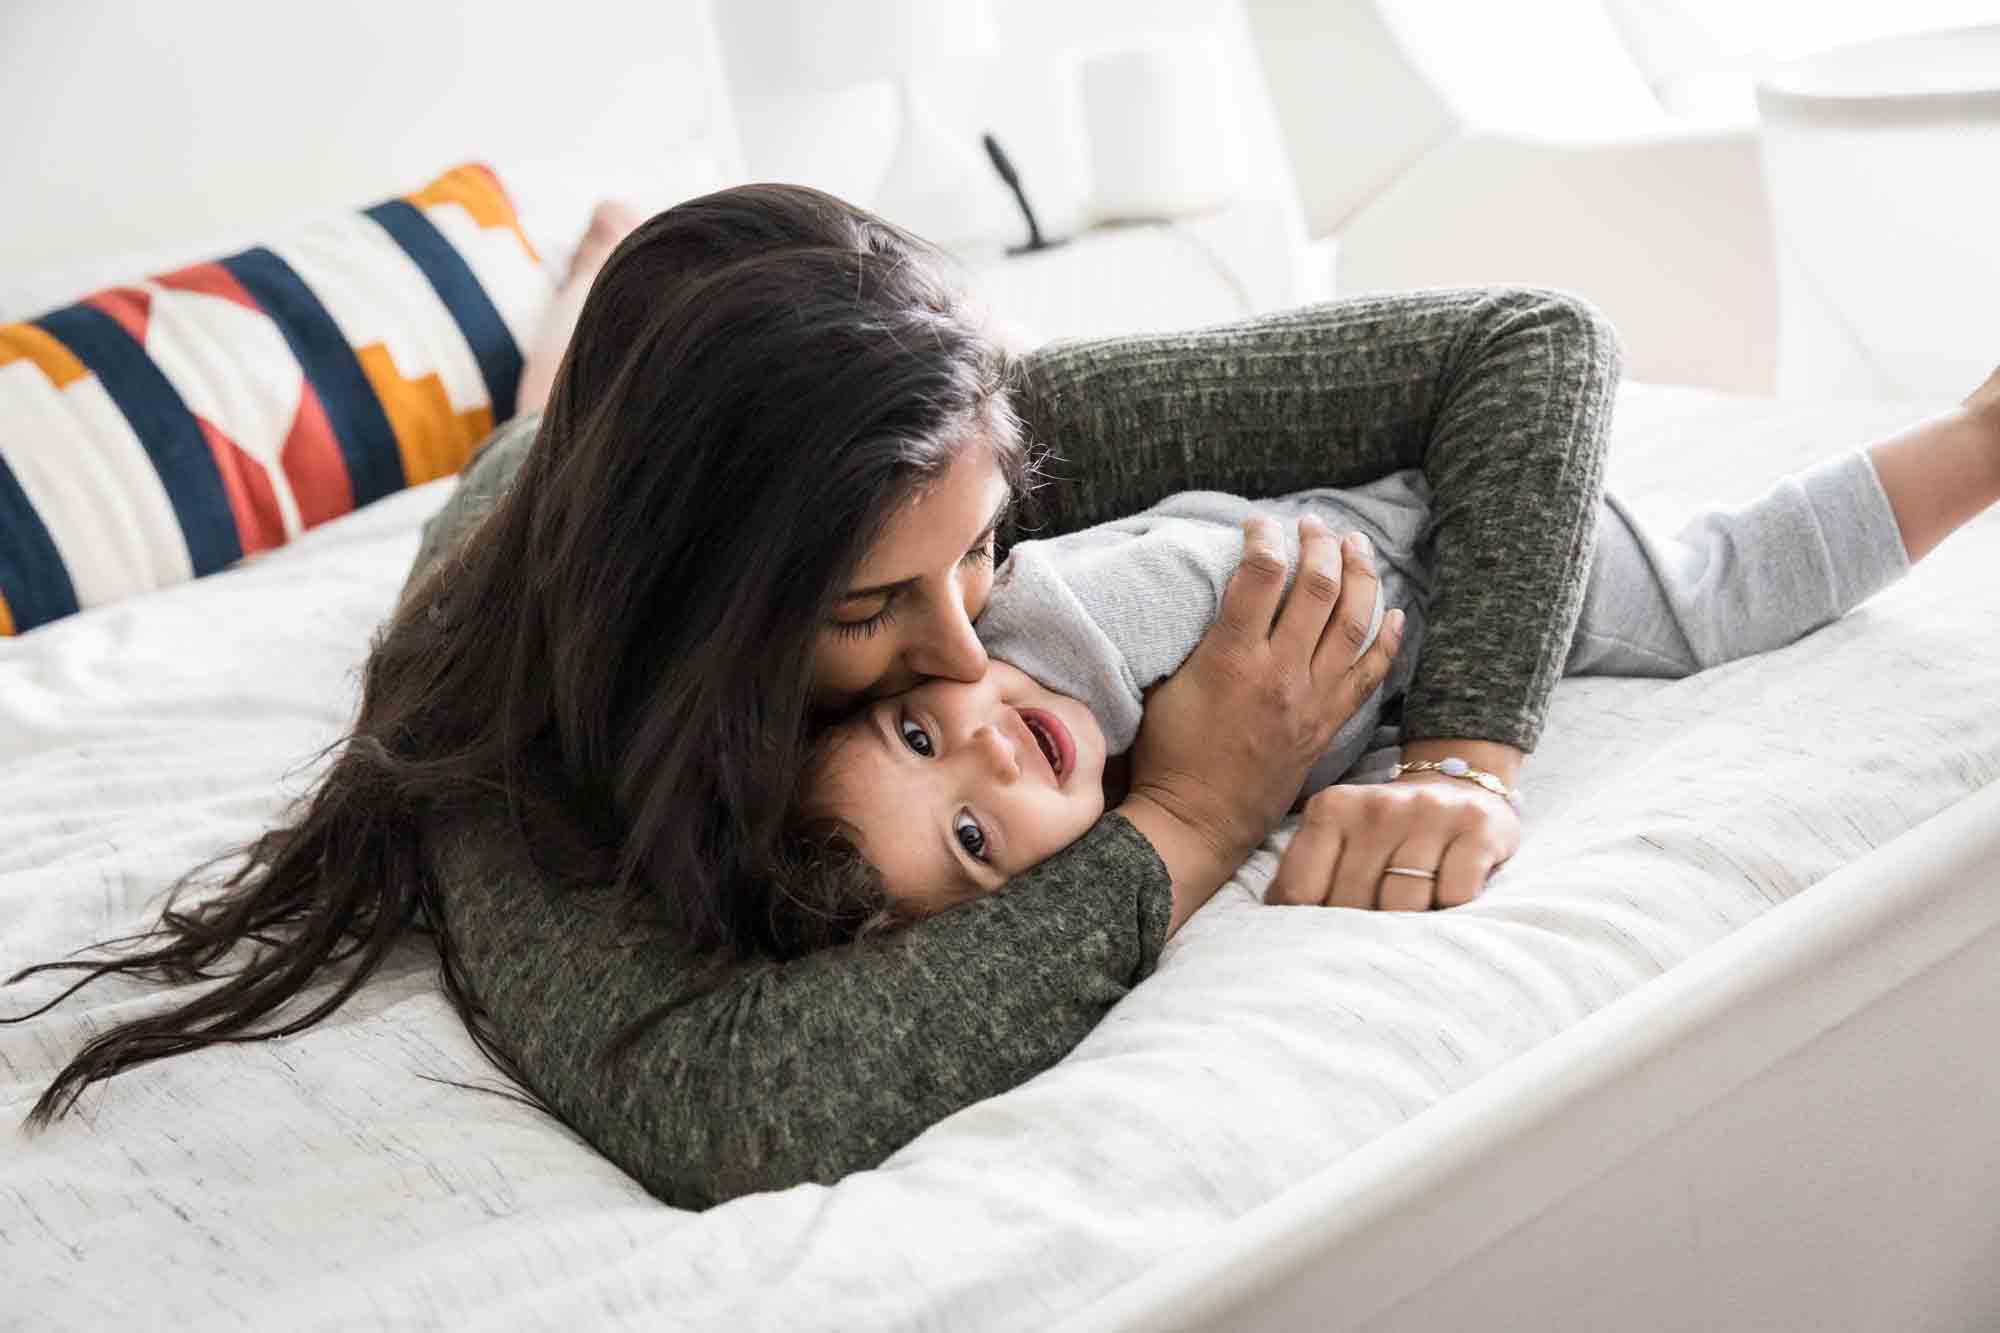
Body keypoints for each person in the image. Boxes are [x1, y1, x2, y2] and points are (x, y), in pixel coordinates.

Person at [7, 184, 1632, 1211]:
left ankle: (578, 345)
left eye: (986, 552)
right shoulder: (497, 766)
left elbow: (1533, 340)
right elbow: (732, 1097)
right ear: (705, 617)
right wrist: (1189, 817)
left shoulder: (947, 437)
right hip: (505, 518)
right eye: (867, 613)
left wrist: (1466, 759)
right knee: (525, 440)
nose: (960, 653)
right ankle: (558, 368)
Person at [790, 369, 2000, 916]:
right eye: (969, 832)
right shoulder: (1094, 822)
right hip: (1387, 653)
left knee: (1714, 593)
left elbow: (1242, 574)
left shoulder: (1051, 630)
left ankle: (1974, 438)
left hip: (1434, 549)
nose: (982, 746)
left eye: (913, 732)